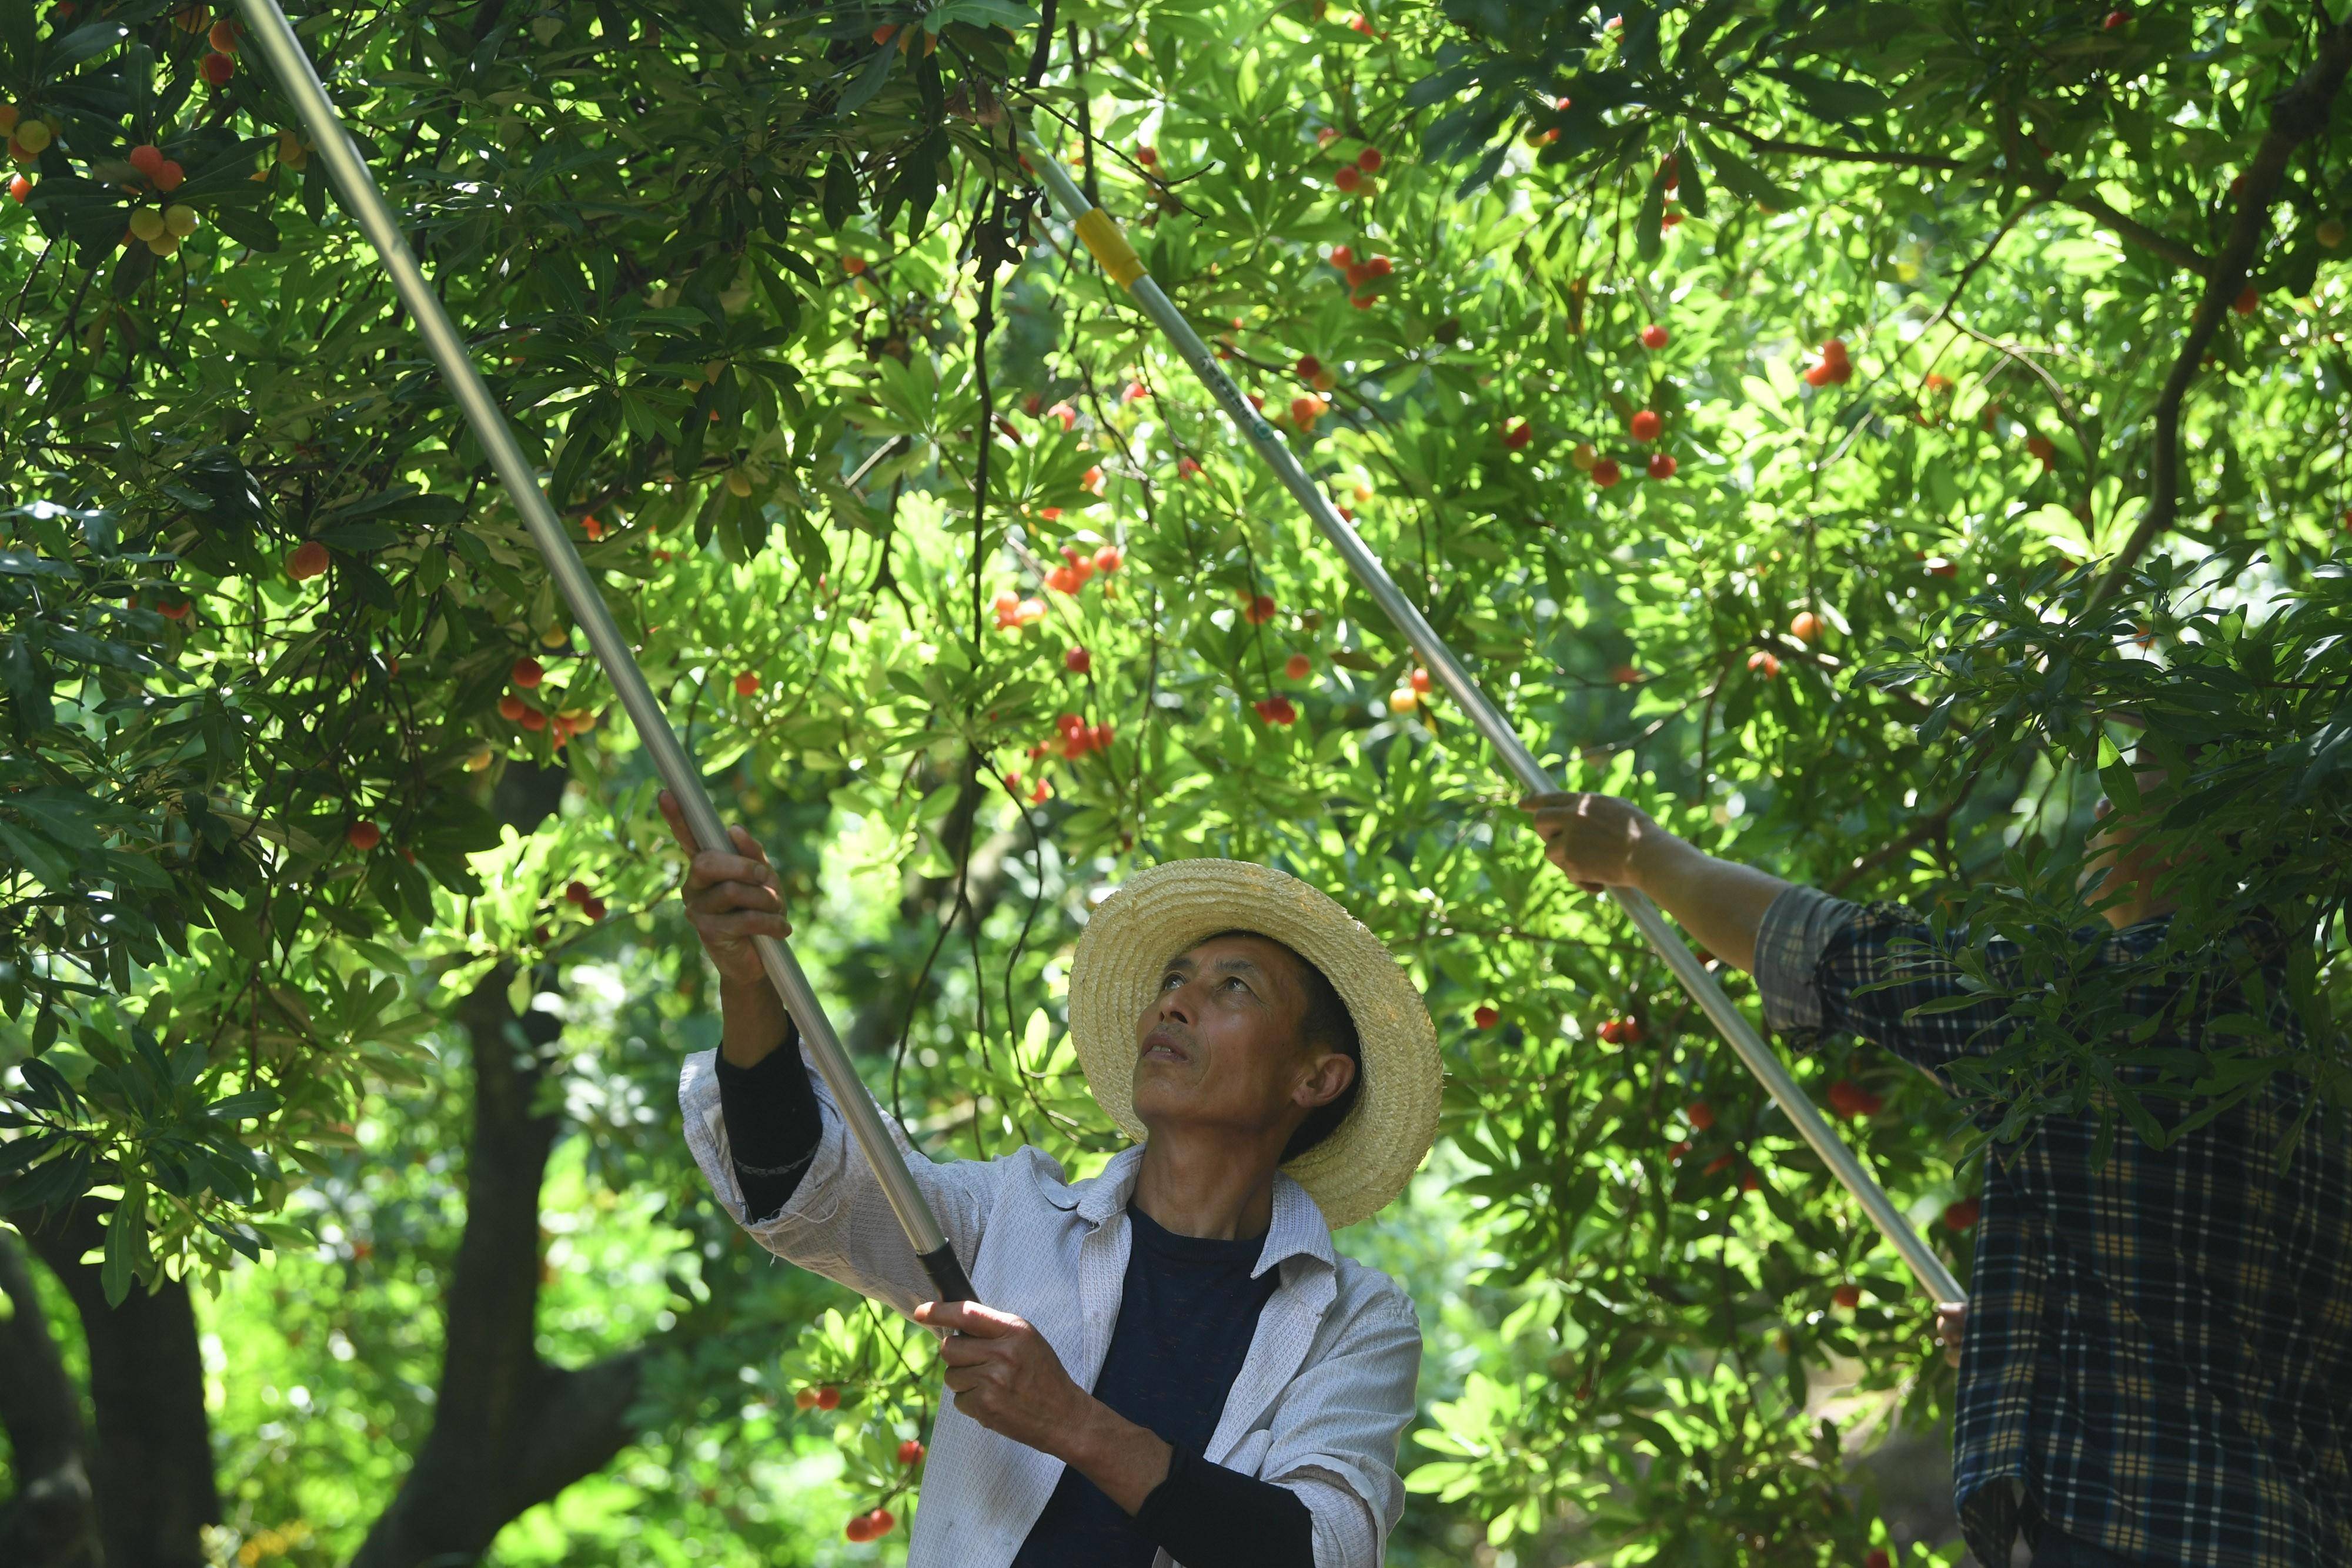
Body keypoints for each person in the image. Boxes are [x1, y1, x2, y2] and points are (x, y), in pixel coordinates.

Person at [1521, 784, 2352, 1568]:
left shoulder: (2091, 1006)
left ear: (2180, 840)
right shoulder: (2324, 1076)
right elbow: (2222, 1315)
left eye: (2115, 803)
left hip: (2134, 1526)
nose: (2096, 825)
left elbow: (1833, 949)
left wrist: (1645, 854)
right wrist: (2026, 1339)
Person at [661, 792, 1441, 1568]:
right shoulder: (1008, 1218)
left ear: (1316, 1078)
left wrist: (1074, 1422)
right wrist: (751, 983)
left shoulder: (1355, 1320)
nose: (1174, 1002)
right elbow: (805, 1185)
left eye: (1232, 987)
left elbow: (1321, 1553)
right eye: (1173, 979)